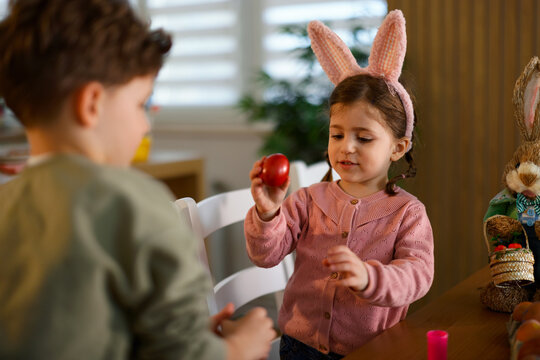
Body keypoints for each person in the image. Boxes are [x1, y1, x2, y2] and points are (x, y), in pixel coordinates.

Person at [0, 1, 275, 359]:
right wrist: (240, 347)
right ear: (92, 104)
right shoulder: (136, 202)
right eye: (140, 104)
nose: (145, 124)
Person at [245, 10, 434, 359]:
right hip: (298, 347)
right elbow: (265, 255)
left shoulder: (408, 214)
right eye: (337, 134)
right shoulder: (307, 200)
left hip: (373, 350)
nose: (347, 146)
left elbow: (417, 276)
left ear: (398, 147)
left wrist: (368, 279)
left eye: (364, 137)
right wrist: (268, 213)